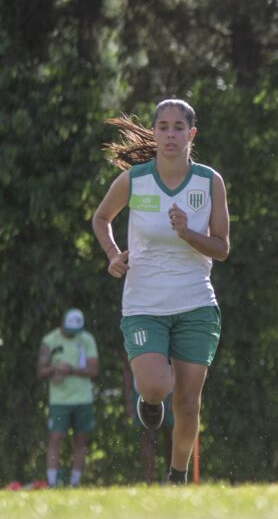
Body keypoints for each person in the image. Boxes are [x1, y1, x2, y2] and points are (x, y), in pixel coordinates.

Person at [92, 99, 229, 485]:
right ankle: (149, 401)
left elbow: (222, 247)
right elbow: (101, 218)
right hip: (144, 303)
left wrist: (188, 233)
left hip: (196, 303)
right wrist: (114, 254)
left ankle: (178, 476)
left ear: (191, 134)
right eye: (163, 127)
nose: (171, 134)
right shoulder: (135, 180)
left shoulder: (209, 181)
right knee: (155, 386)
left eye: (178, 127)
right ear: (154, 132)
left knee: (187, 403)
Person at [36, 308, 98, 487]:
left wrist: (71, 370)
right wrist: (55, 369)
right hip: (59, 401)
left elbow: (94, 370)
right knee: (55, 438)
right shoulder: (49, 340)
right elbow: (40, 371)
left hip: (83, 399)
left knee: (80, 440)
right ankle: (52, 482)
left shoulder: (87, 339)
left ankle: (75, 482)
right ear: (62, 324)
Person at [121, 354, 173, 484]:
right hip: (142, 389)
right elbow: (127, 368)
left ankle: (171, 477)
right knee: (147, 437)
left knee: (171, 437)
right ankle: (150, 480)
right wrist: (128, 400)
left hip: (169, 390)